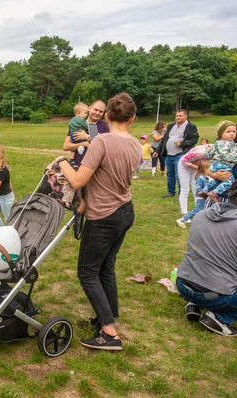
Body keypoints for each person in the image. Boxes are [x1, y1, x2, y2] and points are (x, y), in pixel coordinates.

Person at [56, 93, 141, 350]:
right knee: (106, 268)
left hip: (104, 216)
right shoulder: (136, 144)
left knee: (87, 272)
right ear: (133, 118)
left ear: (107, 116)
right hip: (125, 211)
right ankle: (106, 317)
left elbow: (78, 179)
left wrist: (61, 162)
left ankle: (109, 333)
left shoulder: (102, 141)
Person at [176, 182, 237, 336]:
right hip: (214, 296)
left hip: (183, 284)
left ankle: (194, 303)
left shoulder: (202, 214)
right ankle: (219, 318)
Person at [158, 109, 199, 198]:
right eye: (177, 116)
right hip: (169, 155)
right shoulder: (170, 126)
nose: (178, 117)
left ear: (185, 116)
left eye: (180, 116)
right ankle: (170, 192)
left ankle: (181, 194)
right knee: (170, 174)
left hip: (180, 154)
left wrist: (182, 143)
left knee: (179, 175)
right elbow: (164, 139)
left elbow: (194, 139)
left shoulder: (190, 127)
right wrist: (158, 150)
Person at [62, 100, 110, 166]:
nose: (97, 113)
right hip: (77, 165)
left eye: (101, 111)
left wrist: (86, 136)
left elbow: (105, 148)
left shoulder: (105, 126)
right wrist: (83, 144)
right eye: (95, 109)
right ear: (89, 108)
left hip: (95, 167)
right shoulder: (77, 124)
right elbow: (66, 146)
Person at [203, 121, 237, 202]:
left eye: (234, 131)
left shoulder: (220, 142)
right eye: (228, 132)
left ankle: (204, 191)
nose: (232, 134)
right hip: (225, 196)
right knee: (229, 181)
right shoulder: (226, 143)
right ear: (221, 133)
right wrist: (213, 174)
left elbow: (208, 154)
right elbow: (225, 155)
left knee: (218, 181)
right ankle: (213, 193)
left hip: (217, 166)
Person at [177, 160, 210, 228]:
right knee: (197, 209)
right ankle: (182, 220)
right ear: (204, 169)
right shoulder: (200, 178)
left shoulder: (206, 177)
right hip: (201, 197)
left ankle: (202, 222)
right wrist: (205, 192)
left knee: (203, 209)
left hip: (205, 197)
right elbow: (198, 189)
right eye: (209, 168)